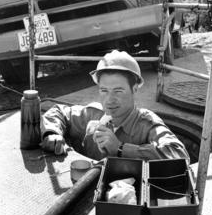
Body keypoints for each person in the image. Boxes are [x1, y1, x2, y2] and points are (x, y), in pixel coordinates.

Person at [40, 50, 190, 161]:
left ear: (135, 89)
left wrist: (120, 148)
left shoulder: (146, 124)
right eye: (104, 91)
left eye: (118, 91)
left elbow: (179, 154)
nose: (109, 100)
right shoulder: (93, 114)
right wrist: (51, 133)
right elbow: (58, 112)